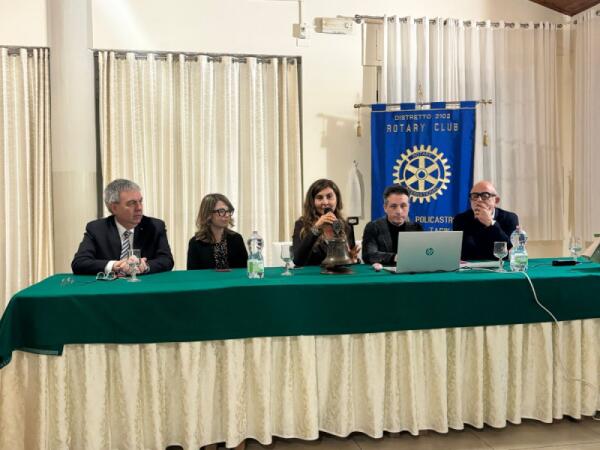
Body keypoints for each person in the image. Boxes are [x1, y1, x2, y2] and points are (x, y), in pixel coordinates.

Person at [72, 179, 174, 275]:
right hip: (110, 286)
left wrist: (145, 266)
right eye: (132, 203)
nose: (139, 208)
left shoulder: (154, 226)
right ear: (114, 208)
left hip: (144, 285)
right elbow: (79, 263)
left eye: (140, 201)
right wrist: (114, 265)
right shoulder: (97, 229)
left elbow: (167, 260)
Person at [292, 178, 360, 267]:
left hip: (338, 275)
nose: (325, 202)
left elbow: (350, 262)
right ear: (312, 202)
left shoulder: (346, 226)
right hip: (312, 275)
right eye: (319, 198)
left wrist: (352, 259)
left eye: (329, 196)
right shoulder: (302, 224)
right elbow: (298, 261)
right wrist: (316, 227)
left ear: (337, 199)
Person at [452, 180, 519, 261]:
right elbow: (462, 253)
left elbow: (511, 250)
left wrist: (491, 224)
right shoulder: (460, 219)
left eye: (485, 195)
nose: (479, 200)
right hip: (470, 267)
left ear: (496, 200)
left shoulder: (509, 218)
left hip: (501, 266)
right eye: (475, 196)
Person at [362, 184, 423, 265]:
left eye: (403, 206)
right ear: (385, 207)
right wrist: (395, 257)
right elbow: (369, 255)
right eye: (393, 206)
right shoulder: (373, 227)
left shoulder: (416, 228)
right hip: (384, 272)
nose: (399, 211)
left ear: (409, 207)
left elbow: (422, 254)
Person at [187, 193, 248, 270]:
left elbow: (244, 270)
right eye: (221, 211)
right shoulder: (196, 243)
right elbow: (192, 274)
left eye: (228, 211)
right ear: (208, 214)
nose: (227, 215)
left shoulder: (236, 238)